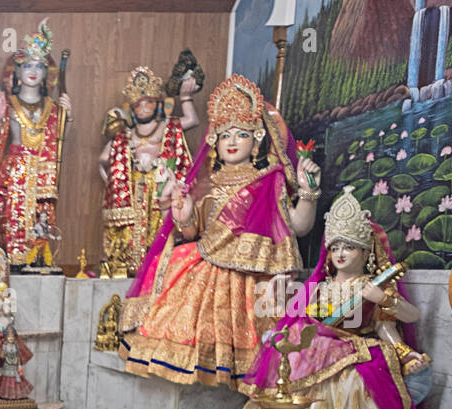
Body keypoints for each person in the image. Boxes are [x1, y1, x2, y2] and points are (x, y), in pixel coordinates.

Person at [214, 188, 439, 409]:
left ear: (367, 251)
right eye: (335, 246)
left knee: (352, 384)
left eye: (349, 246)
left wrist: (387, 312)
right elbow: (302, 322)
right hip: (313, 355)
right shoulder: (321, 287)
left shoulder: (373, 285)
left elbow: (399, 323)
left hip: (354, 353)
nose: (341, 253)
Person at [119, 74, 320, 387]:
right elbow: (191, 233)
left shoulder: (269, 180)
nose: (232, 141)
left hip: (251, 276)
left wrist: (308, 193)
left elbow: (298, 226)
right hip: (206, 266)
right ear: (215, 141)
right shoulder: (205, 185)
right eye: (225, 135)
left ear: (256, 141)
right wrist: (182, 212)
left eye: (241, 134)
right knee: (176, 264)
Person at [99, 65, 199, 272]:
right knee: (127, 234)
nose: (143, 107)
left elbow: (192, 120)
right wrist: (112, 185)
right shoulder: (125, 135)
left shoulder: (169, 126)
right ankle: (125, 265)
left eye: (149, 102)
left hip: (161, 191)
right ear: (132, 108)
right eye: (138, 104)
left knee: (161, 233)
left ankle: (160, 266)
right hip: (132, 190)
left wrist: (185, 97)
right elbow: (102, 160)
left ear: (158, 103)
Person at [0, 20, 71, 267]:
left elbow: (58, 142)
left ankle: (36, 260)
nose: (33, 71)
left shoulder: (54, 107)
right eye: (27, 66)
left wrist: (67, 117)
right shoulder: (8, 103)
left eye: (38, 66)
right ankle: (11, 261)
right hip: (15, 172)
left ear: (47, 73)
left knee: (42, 220)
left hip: (43, 174)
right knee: (10, 217)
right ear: (16, 72)